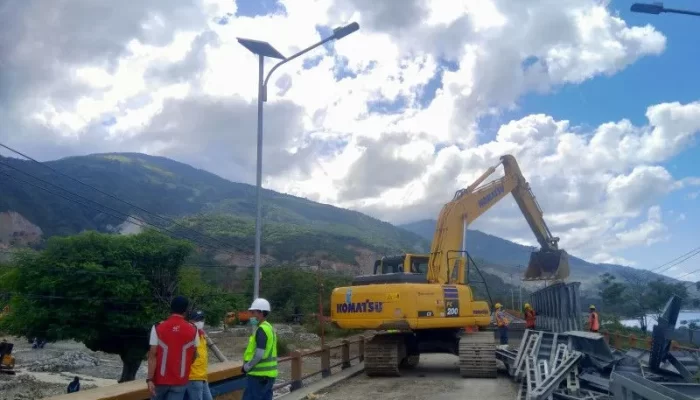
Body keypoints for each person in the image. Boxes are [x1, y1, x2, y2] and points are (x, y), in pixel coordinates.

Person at [147, 296, 200, 400]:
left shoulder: (157, 327)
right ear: (185, 310)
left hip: (159, 381)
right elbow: (194, 356)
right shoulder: (193, 329)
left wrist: (149, 379)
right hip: (180, 381)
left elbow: (152, 356)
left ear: (171, 309)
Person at [241, 298, 278, 400]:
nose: (251, 315)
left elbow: (259, 354)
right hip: (269, 376)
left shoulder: (262, 329)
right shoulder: (269, 328)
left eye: (253, 312)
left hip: (258, 376)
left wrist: (247, 366)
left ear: (261, 313)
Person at [186, 310, 213, 400]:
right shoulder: (189, 334)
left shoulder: (201, 334)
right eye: (197, 320)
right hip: (193, 376)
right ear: (191, 321)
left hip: (202, 376)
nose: (200, 322)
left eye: (202, 319)